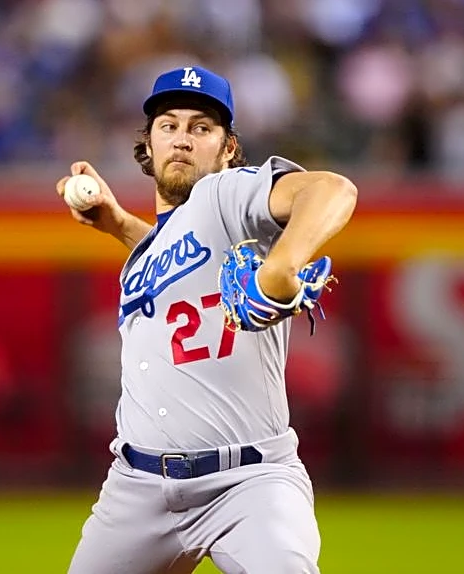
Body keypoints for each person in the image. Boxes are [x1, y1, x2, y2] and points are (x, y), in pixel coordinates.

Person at [56, 65, 357, 574]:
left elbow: (333, 190)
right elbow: (178, 255)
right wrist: (120, 225)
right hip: (136, 489)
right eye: (168, 125)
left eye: (201, 127)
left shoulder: (228, 194)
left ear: (228, 148)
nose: (182, 139)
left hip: (248, 483)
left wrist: (283, 264)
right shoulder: (151, 252)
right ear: (147, 146)